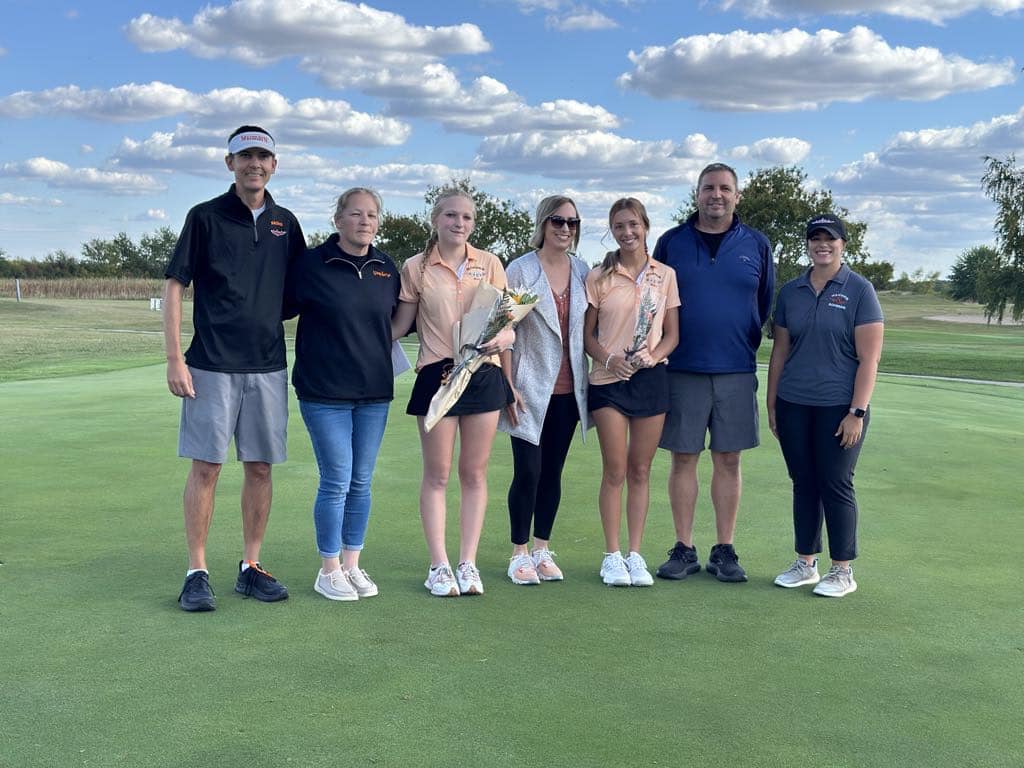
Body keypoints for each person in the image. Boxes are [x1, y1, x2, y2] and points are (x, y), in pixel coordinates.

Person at [164, 125, 304, 612]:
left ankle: (250, 566)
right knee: (207, 467)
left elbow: (297, 295)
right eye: (246, 156)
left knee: (260, 468)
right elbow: (175, 286)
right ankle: (196, 571)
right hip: (210, 364)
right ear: (230, 164)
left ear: (274, 164)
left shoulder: (286, 222)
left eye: (263, 157)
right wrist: (174, 357)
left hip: (267, 365)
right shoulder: (203, 217)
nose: (255, 164)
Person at [652, 162, 774, 584]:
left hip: (736, 370)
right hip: (682, 368)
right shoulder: (671, 242)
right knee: (683, 457)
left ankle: (724, 549)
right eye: (708, 188)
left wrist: (739, 344)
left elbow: (763, 303)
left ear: (737, 195)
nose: (716, 195)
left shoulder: (756, 244)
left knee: (728, 458)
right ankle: (684, 548)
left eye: (724, 188)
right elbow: (655, 300)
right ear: (697, 194)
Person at [391, 188, 514, 597]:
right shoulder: (416, 267)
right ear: (435, 220)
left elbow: (507, 323)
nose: (459, 224)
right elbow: (400, 324)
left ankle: (468, 563)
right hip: (436, 377)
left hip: (482, 375)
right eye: (450, 216)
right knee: (438, 474)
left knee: (474, 473)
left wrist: (505, 337)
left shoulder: (491, 263)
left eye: (466, 218)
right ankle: (439, 565)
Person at [284, 188, 399, 602]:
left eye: (371, 215)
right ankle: (328, 569)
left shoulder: (387, 267)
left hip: (373, 392)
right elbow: (279, 308)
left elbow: (397, 322)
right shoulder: (311, 265)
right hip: (323, 391)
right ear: (338, 220)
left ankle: (351, 565)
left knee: (362, 481)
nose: (364, 221)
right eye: (355, 214)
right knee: (336, 480)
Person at [766, 214, 883, 597]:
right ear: (808, 244)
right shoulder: (792, 292)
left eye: (829, 239)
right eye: (815, 238)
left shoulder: (859, 290)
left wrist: (857, 412)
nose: (822, 244)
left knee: (835, 483)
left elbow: (870, 359)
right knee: (804, 483)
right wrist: (772, 403)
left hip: (840, 407)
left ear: (842, 245)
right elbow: (780, 351)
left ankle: (842, 570)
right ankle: (805, 563)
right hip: (794, 402)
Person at [584, 198, 680, 587]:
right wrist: (609, 361)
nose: (627, 232)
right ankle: (611, 555)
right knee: (616, 469)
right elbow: (587, 336)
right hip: (608, 382)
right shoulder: (599, 277)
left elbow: (672, 334)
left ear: (645, 227)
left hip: (650, 379)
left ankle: (635, 555)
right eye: (619, 226)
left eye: (633, 225)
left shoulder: (665, 275)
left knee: (641, 470)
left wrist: (653, 356)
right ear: (612, 230)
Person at [498, 196, 591, 585]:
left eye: (572, 222)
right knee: (528, 472)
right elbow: (505, 330)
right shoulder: (521, 270)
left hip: (571, 392)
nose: (565, 228)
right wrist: (507, 384)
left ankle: (541, 548)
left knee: (553, 471)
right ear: (543, 223)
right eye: (557, 220)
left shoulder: (584, 271)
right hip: (529, 386)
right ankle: (518, 553)